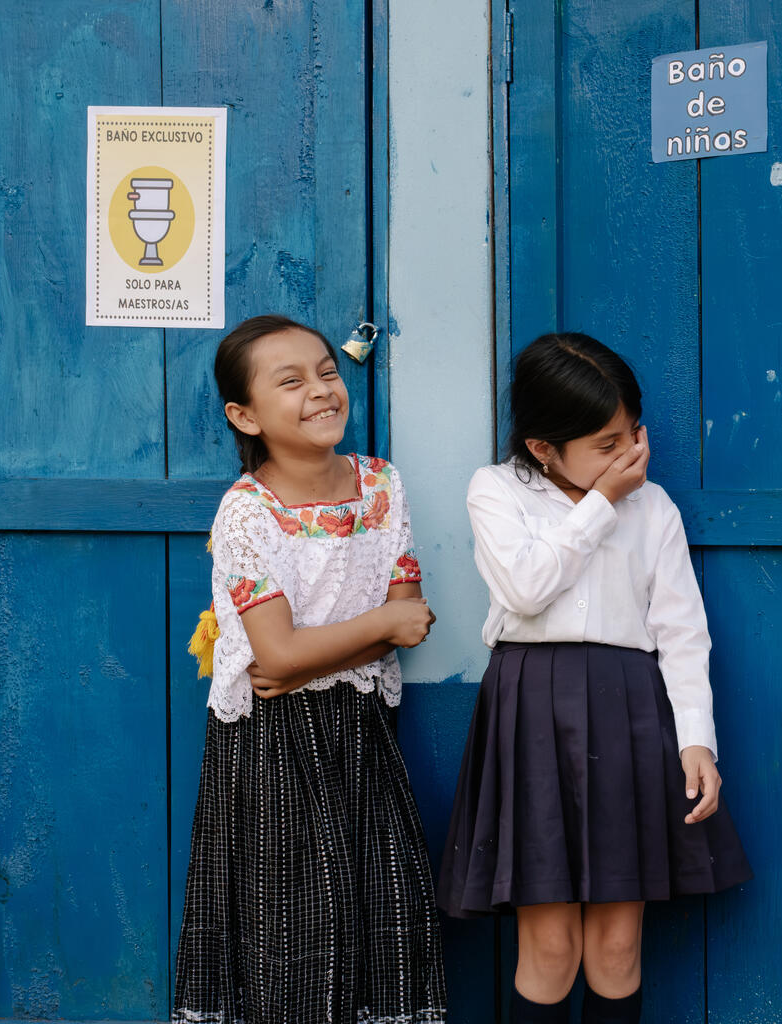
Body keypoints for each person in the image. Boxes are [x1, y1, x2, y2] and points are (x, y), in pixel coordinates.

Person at [438, 332, 752, 1024]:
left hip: (631, 713)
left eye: (631, 434)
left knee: (616, 943)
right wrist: (602, 504)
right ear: (543, 448)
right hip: (530, 710)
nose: (629, 456)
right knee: (549, 945)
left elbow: (682, 632)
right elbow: (524, 588)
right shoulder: (495, 491)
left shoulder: (657, 507)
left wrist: (697, 741)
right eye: (606, 445)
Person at [174, 314, 446, 1024]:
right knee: (291, 933)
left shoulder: (380, 486)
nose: (321, 391)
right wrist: (363, 632)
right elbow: (283, 655)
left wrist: (306, 658)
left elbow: (406, 623)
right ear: (245, 414)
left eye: (327, 371)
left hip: (363, 736)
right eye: (289, 381)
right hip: (269, 746)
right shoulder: (244, 514)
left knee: (382, 911)